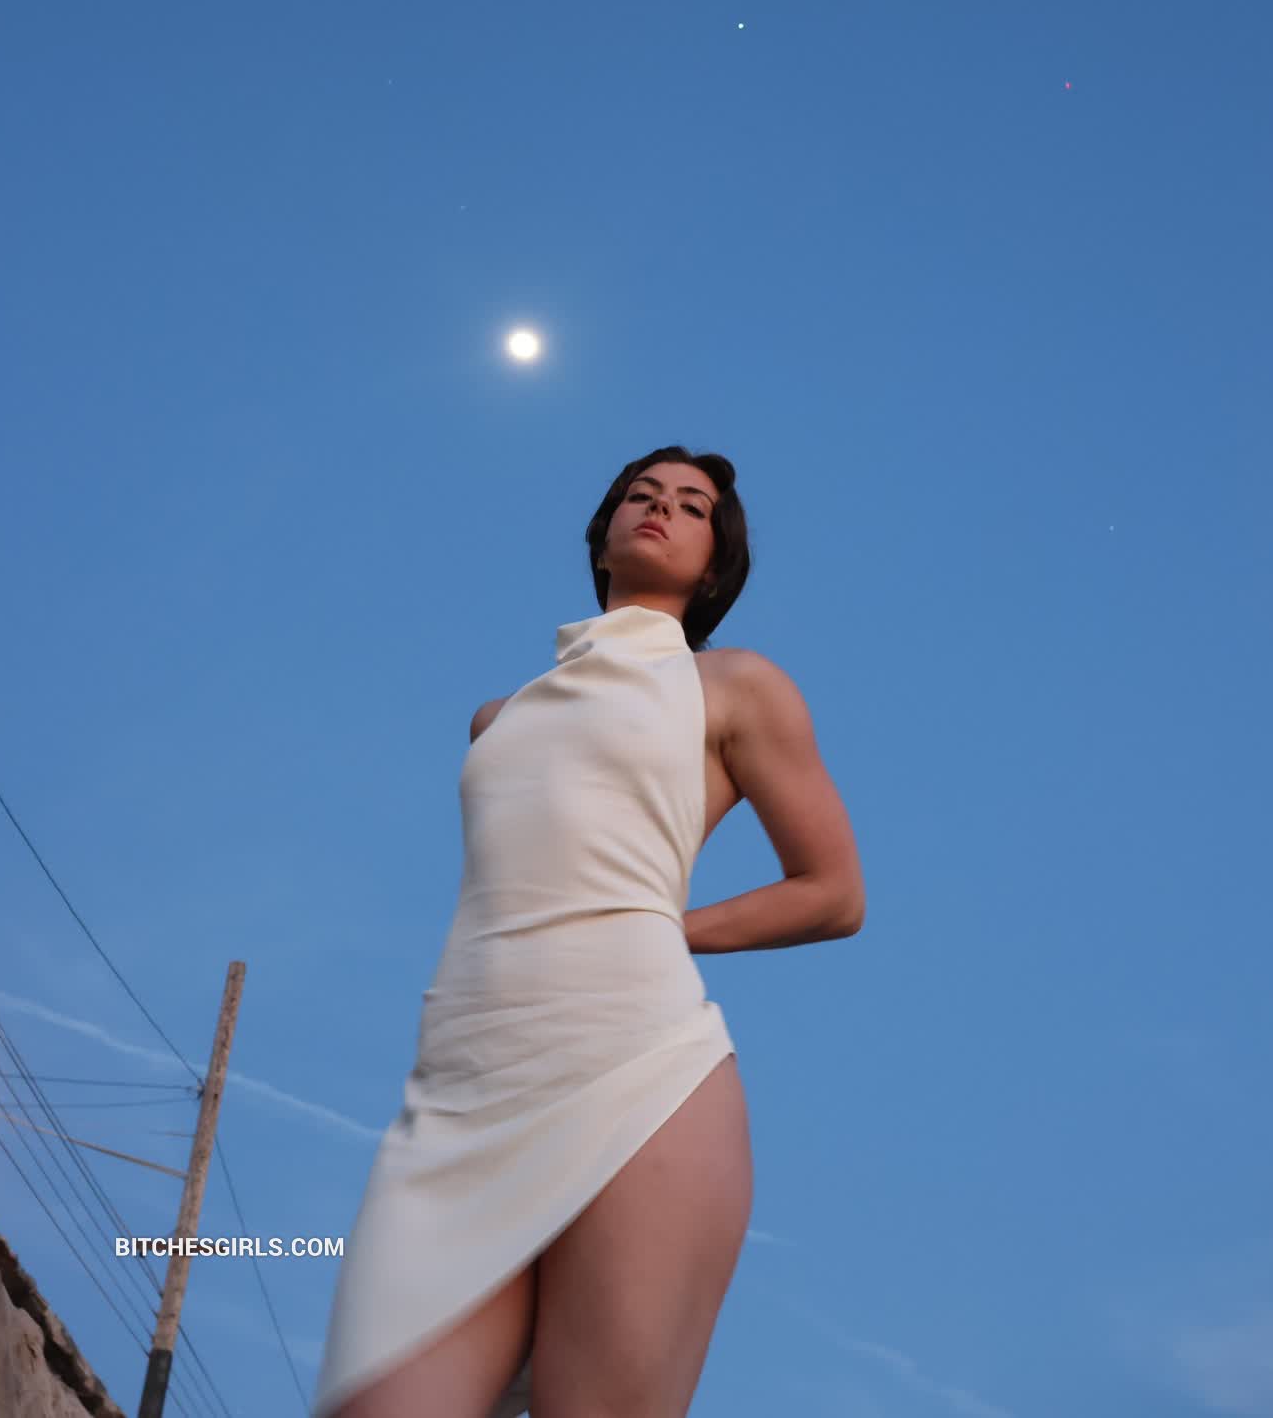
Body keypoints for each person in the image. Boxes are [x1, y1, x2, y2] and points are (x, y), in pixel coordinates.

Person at [313, 445, 865, 1418]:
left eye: (691, 506)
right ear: (602, 538)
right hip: (459, 1094)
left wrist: (663, 927)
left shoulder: (735, 685)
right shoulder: (498, 718)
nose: (661, 508)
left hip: (639, 1072)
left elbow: (832, 892)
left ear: (715, 564)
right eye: (641, 495)